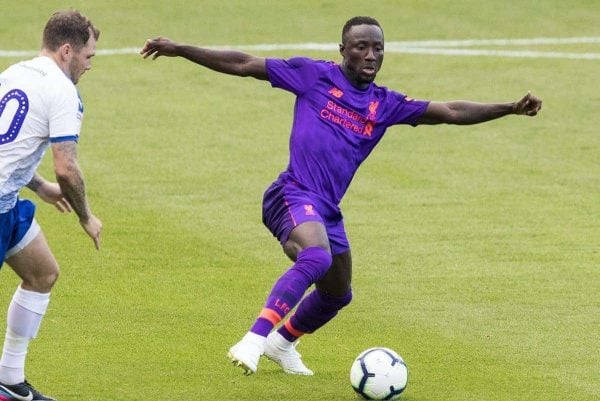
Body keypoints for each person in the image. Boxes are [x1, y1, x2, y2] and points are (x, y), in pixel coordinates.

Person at [140, 16, 542, 376]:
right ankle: (254, 339)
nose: (371, 54)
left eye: (378, 48)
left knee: (337, 293)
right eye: (361, 46)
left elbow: (451, 111)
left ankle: (283, 344)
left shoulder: (385, 104)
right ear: (343, 50)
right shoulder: (313, 76)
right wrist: (180, 49)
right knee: (317, 256)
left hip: (326, 210)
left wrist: (509, 107)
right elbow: (244, 64)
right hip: (292, 193)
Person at [0, 10, 102, 400]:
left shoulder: (15, 72)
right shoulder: (63, 91)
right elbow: (67, 168)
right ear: (66, 51)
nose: (89, 65)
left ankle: (9, 381)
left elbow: (9, 147)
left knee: (42, 273)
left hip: (7, 203)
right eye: (89, 56)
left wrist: (38, 185)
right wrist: (86, 216)